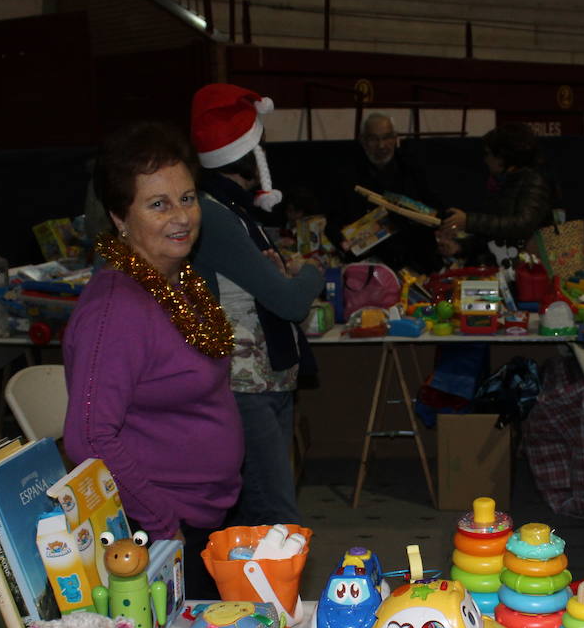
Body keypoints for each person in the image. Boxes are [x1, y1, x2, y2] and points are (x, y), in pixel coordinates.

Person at [64, 120, 241, 597]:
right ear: (121, 218)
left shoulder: (179, 281)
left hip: (204, 514)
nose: (181, 216)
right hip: (160, 532)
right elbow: (89, 436)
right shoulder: (116, 308)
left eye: (187, 198)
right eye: (158, 204)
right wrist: (163, 526)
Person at [189, 83, 323, 528]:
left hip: (263, 379)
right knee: (273, 519)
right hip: (244, 385)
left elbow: (271, 287)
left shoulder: (234, 212)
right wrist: (310, 270)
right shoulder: (219, 217)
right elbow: (287, 299)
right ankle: (269, 598)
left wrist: (284, 274)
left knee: (263, 512)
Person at [330, 112, 440, 272]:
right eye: (374, 139)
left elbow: (435, 209)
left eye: (387, 137)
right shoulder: (346, 176)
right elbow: (332, 224)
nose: (381, 145)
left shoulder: (412, 169)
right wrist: (346, 242)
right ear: (363, 140)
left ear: (396, 138)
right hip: (367, 265)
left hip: (416, 262)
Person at [439, 123, 555, 264]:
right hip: (510, 267)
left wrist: (469, 221)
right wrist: (459, 247)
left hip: (530, 271)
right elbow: (497, 235)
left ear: (502, 157)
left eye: (488, 154)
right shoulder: (506, 182)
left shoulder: (533, 181)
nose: (485, 160)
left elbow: (523, 225)